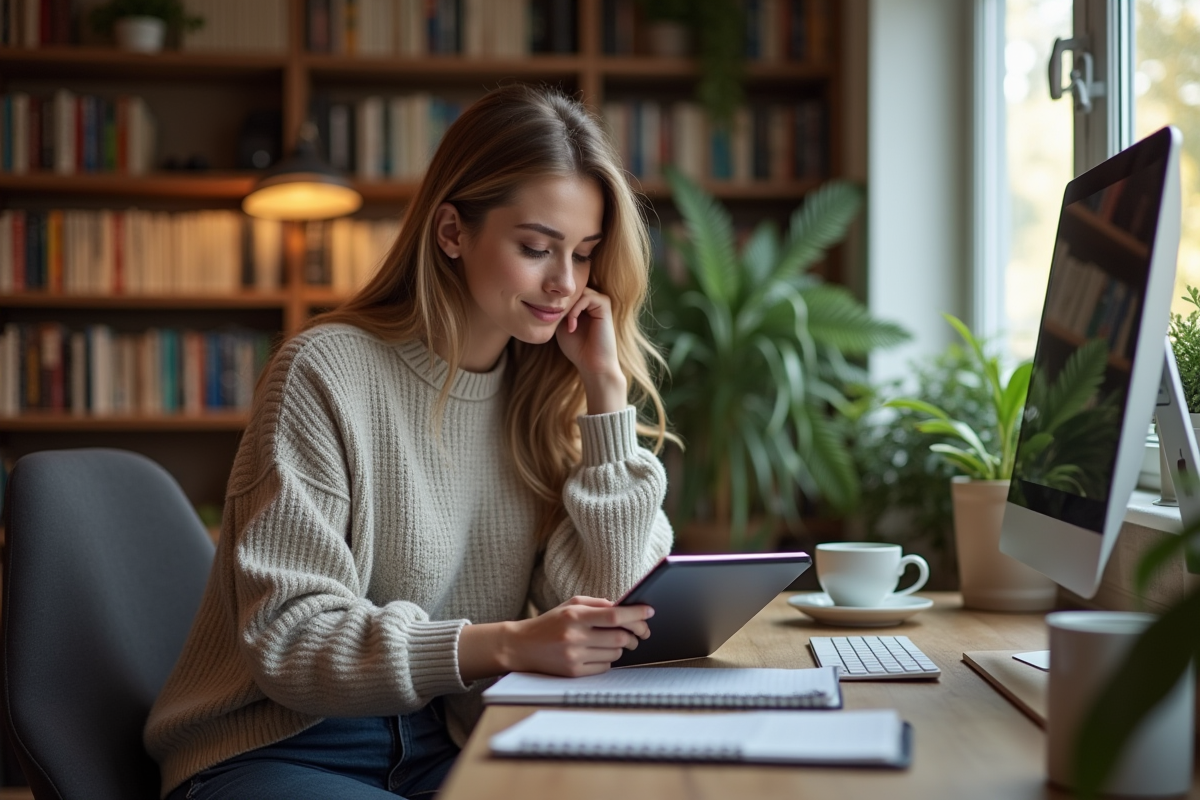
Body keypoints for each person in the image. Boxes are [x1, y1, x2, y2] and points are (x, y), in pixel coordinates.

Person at [144, 83, 675, 800]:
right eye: (535, 248)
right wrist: (505, 644)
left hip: (447, 740)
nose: (564, 284)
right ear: (453, 232)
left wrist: (606, 394)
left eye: (583, 255)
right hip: (280, 746)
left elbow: (604, 609)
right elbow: (289, 637)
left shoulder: (546, 393)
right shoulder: (326, 371)